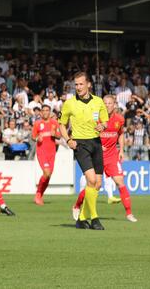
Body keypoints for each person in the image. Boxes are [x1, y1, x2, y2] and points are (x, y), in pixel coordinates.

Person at [73, 95, 137, 223]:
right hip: (97, 155)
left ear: (114, 105)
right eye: (105, 103)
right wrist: (96, 145)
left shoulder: (119, 119)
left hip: (112, 155)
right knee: (95, 185)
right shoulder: (96, 118)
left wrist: (121, 150)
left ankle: (129, 214)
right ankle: (76, 206)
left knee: (120, 182)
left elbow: (121, 134)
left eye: (110, 103)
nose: (107, 105)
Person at [58, 72, 108, 230]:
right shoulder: (69, 103)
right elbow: (61, 124)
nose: (78, 87)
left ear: (89, 85)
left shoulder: (99, 101)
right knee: (91, 180)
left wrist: (103, 126)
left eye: (81, 84)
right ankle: (94, 218)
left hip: (96, 143)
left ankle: (81, 218)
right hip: (80, 145)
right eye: (76, 84)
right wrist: (68, 140)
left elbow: (105, 120)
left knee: (98, 184)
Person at [31, 104, 60, 205]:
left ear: (50, 112)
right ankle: (38, 194)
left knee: (48, 176)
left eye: (47, 110)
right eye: (43, 110)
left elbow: (59, 136)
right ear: (41, 112)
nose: (45, 112)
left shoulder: (54, 123)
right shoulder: (37, 123)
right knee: (47, 173)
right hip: (41, 152)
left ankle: (39, 196)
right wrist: (37, 138)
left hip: (52, 152)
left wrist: (55, 134)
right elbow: (33, 136)